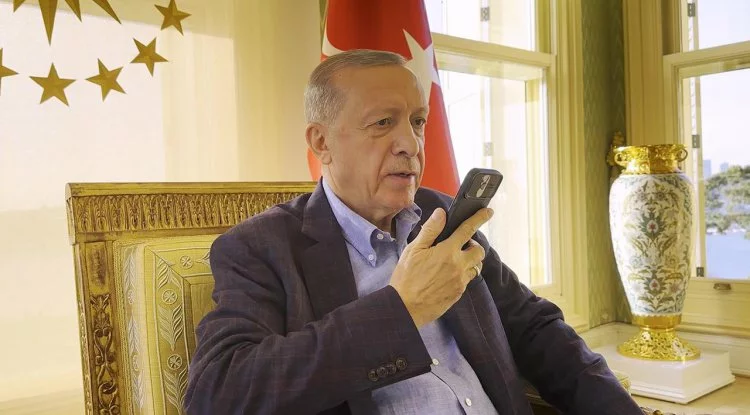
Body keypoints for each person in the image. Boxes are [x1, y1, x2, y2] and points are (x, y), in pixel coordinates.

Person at [184, 49, 643, 415]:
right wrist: (401, 310)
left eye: (418, 121)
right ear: (321, 142)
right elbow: (218, 393)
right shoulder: (260, 247)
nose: (411, 143)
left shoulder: (442, 216)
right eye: (383, 123)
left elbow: (536, 330)